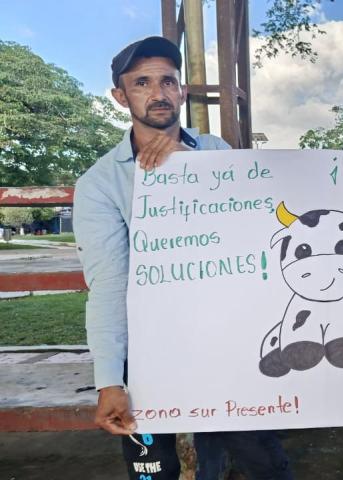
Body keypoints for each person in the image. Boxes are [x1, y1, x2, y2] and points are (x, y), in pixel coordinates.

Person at [74, 36, 293, 480]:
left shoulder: (217, 155)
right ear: (120, 96)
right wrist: (110, 381)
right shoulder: (99, 183)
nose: (158, 93)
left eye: (168, 81)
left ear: (182, 92)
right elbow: (110, 285)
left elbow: (254, 238)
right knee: (154, 471)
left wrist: (190, 169)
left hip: (226, 344)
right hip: (149, 351)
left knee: (262, 459)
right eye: (141, 82)